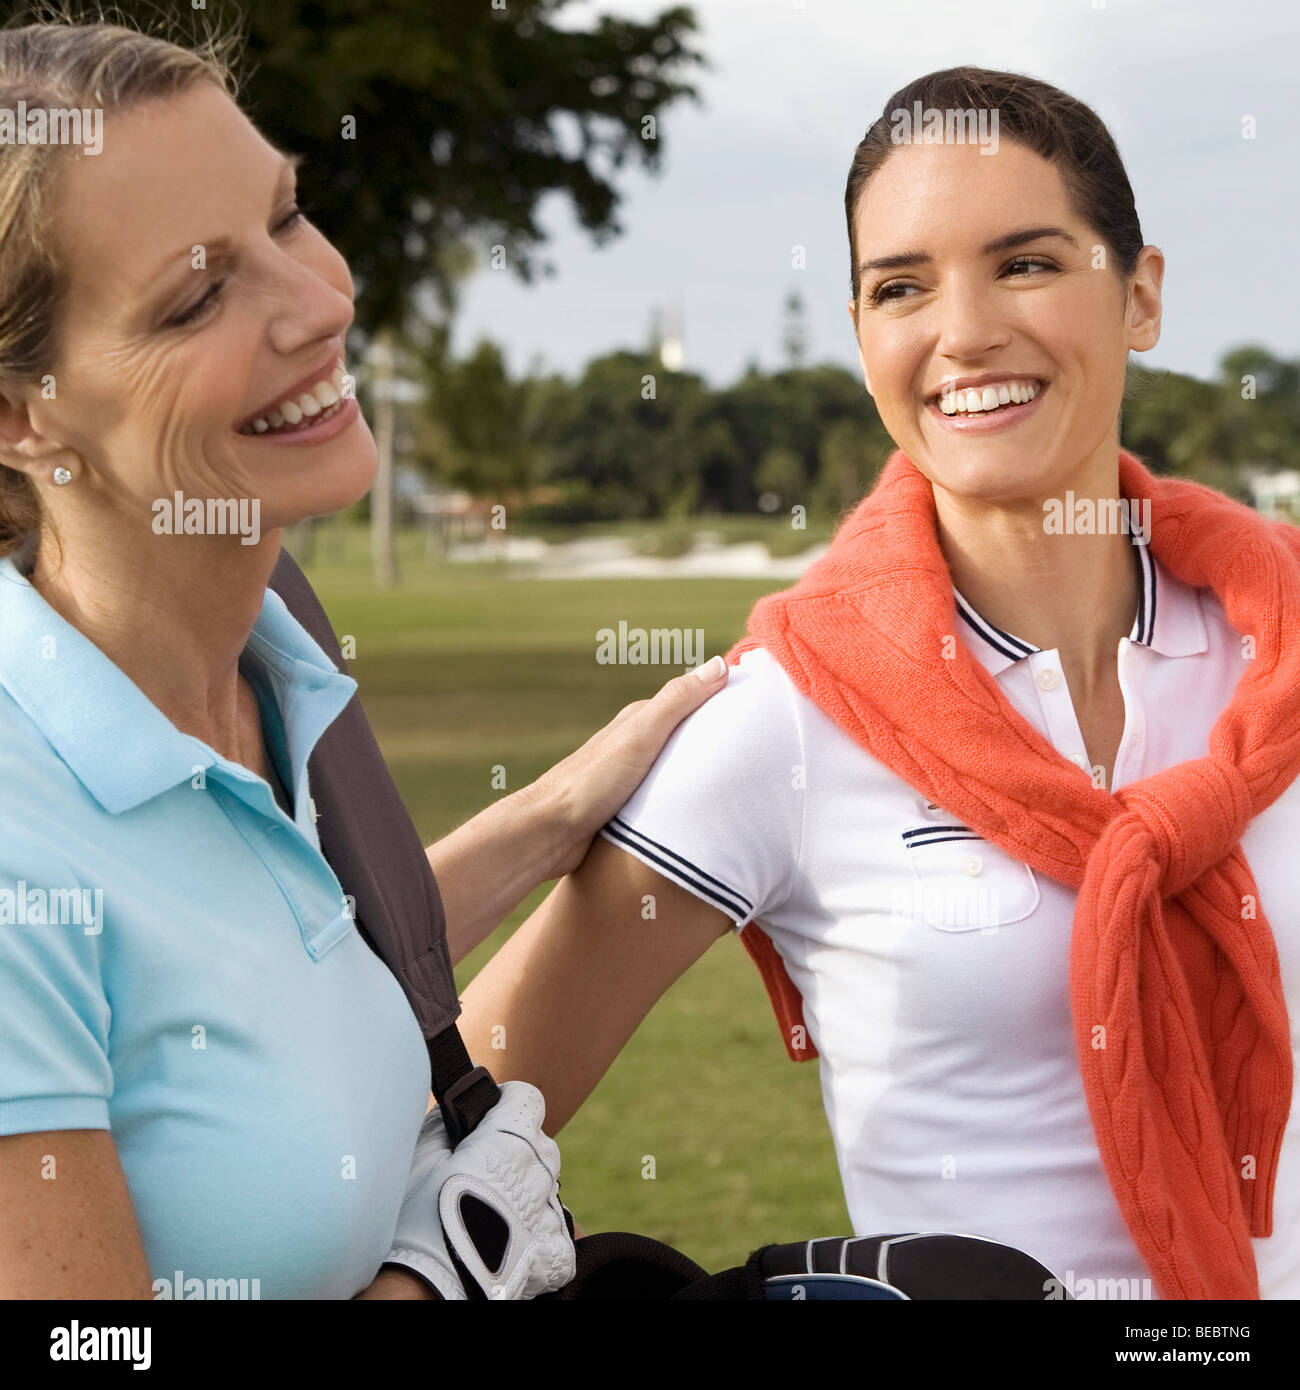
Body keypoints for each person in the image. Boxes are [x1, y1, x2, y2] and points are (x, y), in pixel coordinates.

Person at [456, 66, 1300, 1301]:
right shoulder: (784, 718)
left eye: (1025, 263)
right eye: (900, 287)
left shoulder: (1280, 647)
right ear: (862, 340)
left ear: (1141, 295)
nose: (962, 331)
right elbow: (457, 1112)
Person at [0, 15, 728, 1300]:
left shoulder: (275, 635)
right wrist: (444, 1271)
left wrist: (562, 809)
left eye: (285, 217)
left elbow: (281, 977)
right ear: (21, 414)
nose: (321, 303)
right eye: (197, 294)